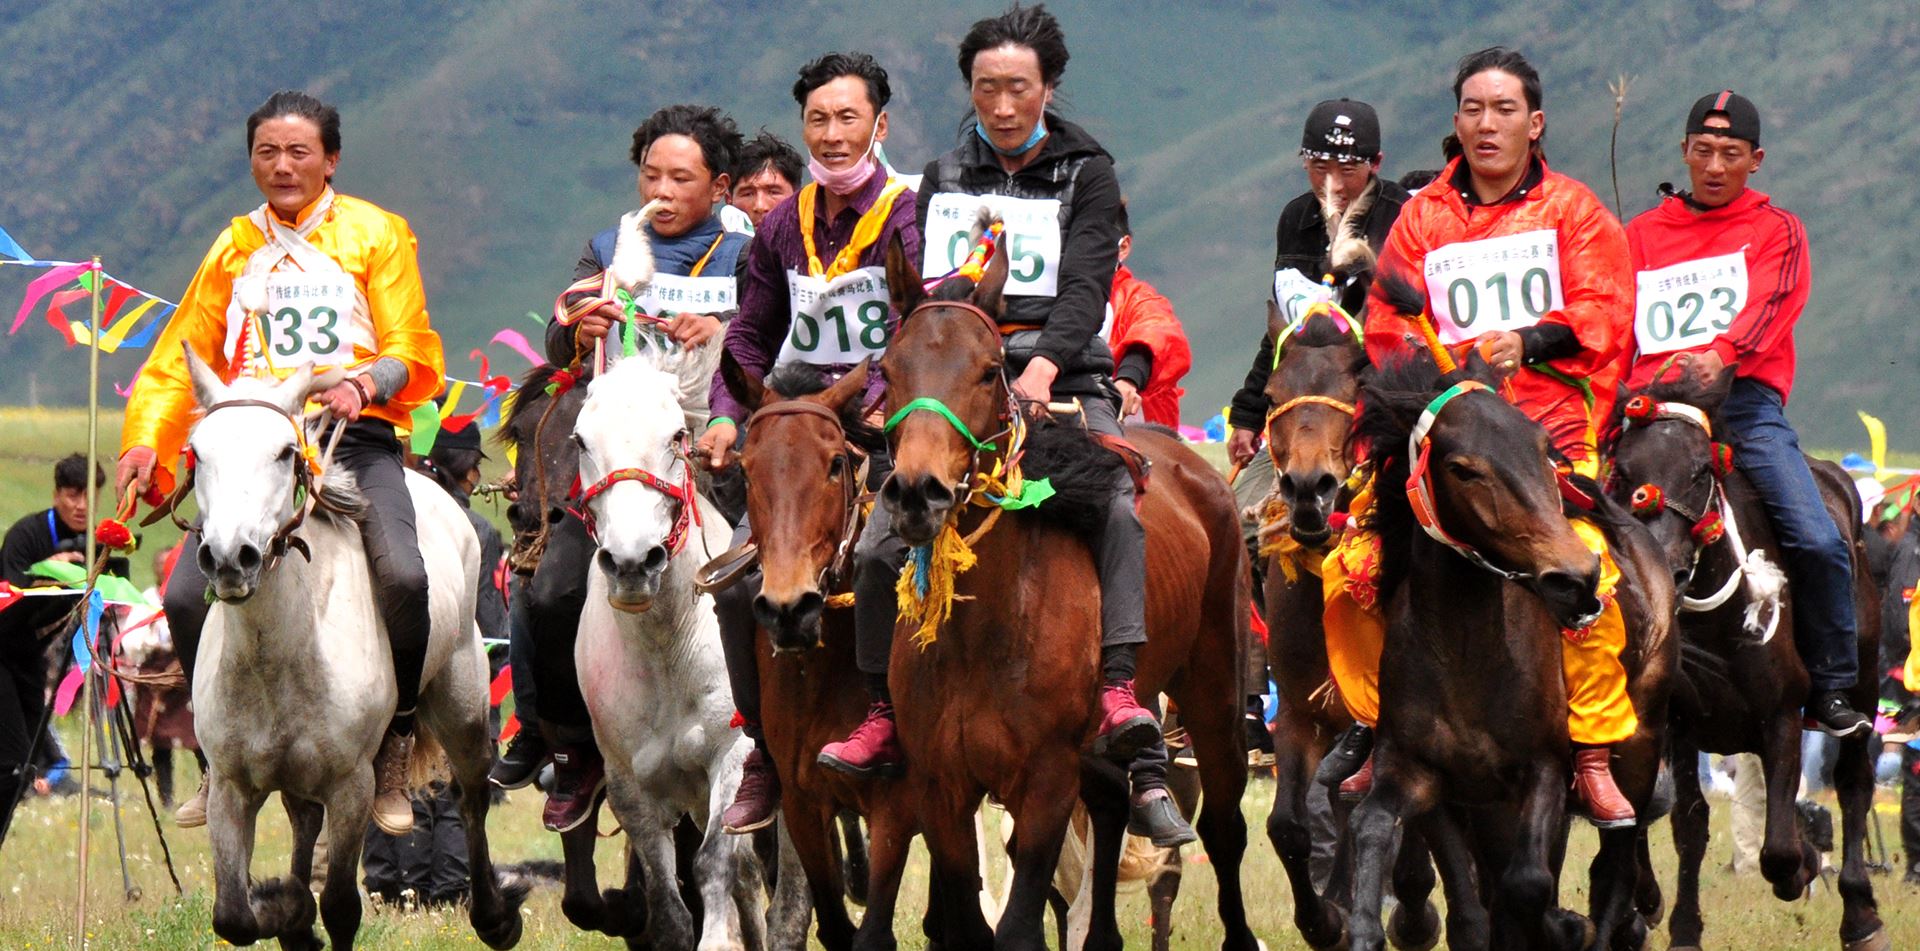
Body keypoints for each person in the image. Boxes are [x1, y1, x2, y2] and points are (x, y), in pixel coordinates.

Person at [1319, 48, 1640, 827]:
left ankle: (1593, 751)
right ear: (1455, 122)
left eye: (1503, 111)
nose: (1486, 124)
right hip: (1448, 444)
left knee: (1593, 570)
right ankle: (1372, 723)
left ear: (1535, 124)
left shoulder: (1575, 211)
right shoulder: (1422, 217)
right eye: (1473, 109)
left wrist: (1525, 344)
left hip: (1548, 436)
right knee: (1349, 567)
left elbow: (1607, 312)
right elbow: (1389, 334)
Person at [116, 90, 446, 836]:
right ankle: (213, 752)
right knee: (186, 594)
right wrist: (147, 439)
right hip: (249, 444)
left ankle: (394, 740)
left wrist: (365, 383)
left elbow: (413, 347)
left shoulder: (377, 233)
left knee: (405, 573)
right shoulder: (232, 247)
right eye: (268, 152)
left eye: (299, 151)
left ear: (331, 159)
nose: (283, 165)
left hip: (349, 437)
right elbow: (179, 358)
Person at [902, 3, 1192, 845]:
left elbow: (1088, 286)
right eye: (986, 87)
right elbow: (936, 294)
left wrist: (1038, 367)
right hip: (961, 374)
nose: (1000, 103)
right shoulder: (942, 175)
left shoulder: (1089, 173)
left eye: (1017, 87)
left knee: (1116, 507)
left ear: (1048, 88)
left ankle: (1118, 687)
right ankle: (889, 710)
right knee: (887, 525)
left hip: (1062, 371)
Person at [692, 51, 920, 834]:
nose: (831, 134)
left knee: (893, 554)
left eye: (847, 117)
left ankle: (903, 714)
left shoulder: (910, 212)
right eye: (818, 120)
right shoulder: (780, 226)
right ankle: (762, 746)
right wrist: (726, 411)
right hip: (801, 428)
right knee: (729, 586)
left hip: (891, 425)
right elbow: (750, 337)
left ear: (879, 125)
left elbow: (922, 326)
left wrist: (890, 405)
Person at [527, 104, 751, 833]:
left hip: (722, 444)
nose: (661, 187)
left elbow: (773, 329)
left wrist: (723, 330)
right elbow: (563, 346)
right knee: (553, 587)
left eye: (680, 176)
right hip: (624, 456)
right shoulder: (607, 247)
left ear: (718, 186)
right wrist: (577, 327)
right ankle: (572, 744)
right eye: (650, 173)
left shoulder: (749, 249)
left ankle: (770, 740)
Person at [1622, 90, 1871, 736]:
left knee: (1818, 537)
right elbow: (1618, 322)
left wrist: (1724, 353)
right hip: (1653, 412)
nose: (1713, 166)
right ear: (1684, 151)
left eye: (1730, 154)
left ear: (1754, 160)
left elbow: (1772, 305)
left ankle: (1833, 682)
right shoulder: (1641, 235)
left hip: (1744, 406)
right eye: (1702, 151)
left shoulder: (1777, 230)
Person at [363, 417, 502, 907]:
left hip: (387, 659)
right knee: (445, 789)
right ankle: (446, 888)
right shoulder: (476, 528)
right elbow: (487, 613)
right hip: (453, 652)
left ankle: (386, 882)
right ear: (468, 469)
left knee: (387, 771)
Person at [1227, 97, 1409, 469]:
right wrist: (1248, 415)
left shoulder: (1405, 216)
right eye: (1319, 168)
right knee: (1243, 517)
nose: (1332, 185)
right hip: (1300, 418)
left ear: (1376, 164)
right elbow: (1285, 334)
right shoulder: (1296, 220)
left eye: (1347, 170)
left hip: (1382, 415)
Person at [0, 453, 103, 836]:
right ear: (57, 494)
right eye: (72, 495)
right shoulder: (26, 535)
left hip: (32, 658)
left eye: (88, 496)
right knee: (11, 764)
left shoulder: (94, 542)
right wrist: (52, 571)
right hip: (2, 652)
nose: (80, 505)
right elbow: (11, 591)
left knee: (28, 762)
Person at [1107, 200, 1191, 427]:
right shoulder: (1049, 299)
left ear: (1122, 247)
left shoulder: (1139, 299)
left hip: (1140, 436)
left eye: (1097, 241)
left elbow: (1157, 330)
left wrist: (1128, 379)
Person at [726, 131, 803, 233]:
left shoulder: (818, 246)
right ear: (729, 200)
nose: (760, 206)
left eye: (773, 192)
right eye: (748, 194)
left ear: (798, 198)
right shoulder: (711, 248)